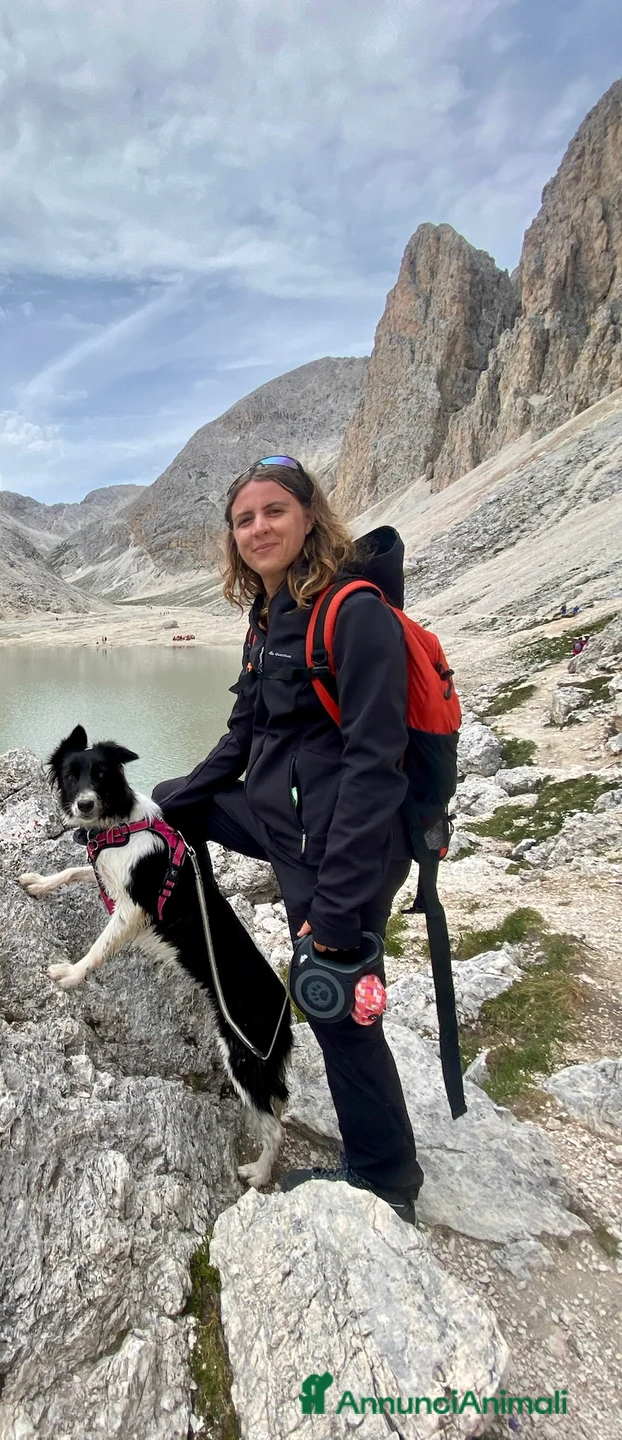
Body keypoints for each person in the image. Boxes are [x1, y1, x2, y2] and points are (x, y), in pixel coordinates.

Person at [152, 455, 422, 1223]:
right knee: (176, 813)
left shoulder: (355, 612)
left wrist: (335, 913)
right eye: (244, 519)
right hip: (286, 822)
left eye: (274, 511)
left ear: (309, 517)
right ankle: (242, 986)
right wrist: (172, 803)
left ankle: (386, 1178)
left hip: (349, 844)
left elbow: (376, 767)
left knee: (337, 1000)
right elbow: (246, 733)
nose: (259, 527)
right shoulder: (267, 617)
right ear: (232, 539)